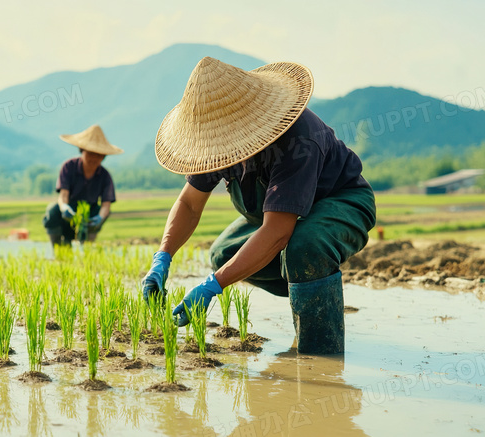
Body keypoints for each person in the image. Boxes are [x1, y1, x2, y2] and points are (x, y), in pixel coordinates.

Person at [141, 57, 376, 354]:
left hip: (339, 201)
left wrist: (214, 285)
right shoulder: (214, 139)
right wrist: (162, 258)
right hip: (278, 214)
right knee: (224, 253)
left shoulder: (298, 138)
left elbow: (278, 231)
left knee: (304, 246)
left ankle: (320, 357)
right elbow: (189, 203)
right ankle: (303, 286)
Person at [42, 125, 123, 247]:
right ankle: (59, 250)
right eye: (90, 153)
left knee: (100, 215)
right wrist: (64, 207)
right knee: (52, 212)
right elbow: (63, 194)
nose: (94, 158)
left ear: (103, 157)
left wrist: (99, 218)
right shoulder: (69, 167)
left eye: (98, 154)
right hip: (70, 208)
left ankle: (87, 248)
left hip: (90, 212)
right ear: (82, 151)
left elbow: (106, 204)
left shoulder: (105, 176)